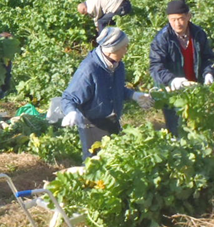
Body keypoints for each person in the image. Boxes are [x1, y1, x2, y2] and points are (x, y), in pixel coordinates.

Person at [61, 27, 151, 161]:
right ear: (111, 50)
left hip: (112, 120)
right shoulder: (89, 70)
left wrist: (134, 95)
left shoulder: (118, 65)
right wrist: (71, 112)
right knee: (94, 163)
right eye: (123, 48)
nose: (126, 51)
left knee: (114, 159)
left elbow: (117, 89)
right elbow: (69, 97)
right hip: (92, 124)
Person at [149, 0, 214, 137]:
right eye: (173, 20)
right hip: (172, 91)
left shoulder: (198, 34)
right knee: (176, 127)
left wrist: (208, 74)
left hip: (194, 88)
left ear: (188, 17)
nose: (177, 23)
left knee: (197, 125)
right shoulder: (162, 38)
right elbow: (156, 66)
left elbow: (207, 58)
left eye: (181, 19)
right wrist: (173, 80)